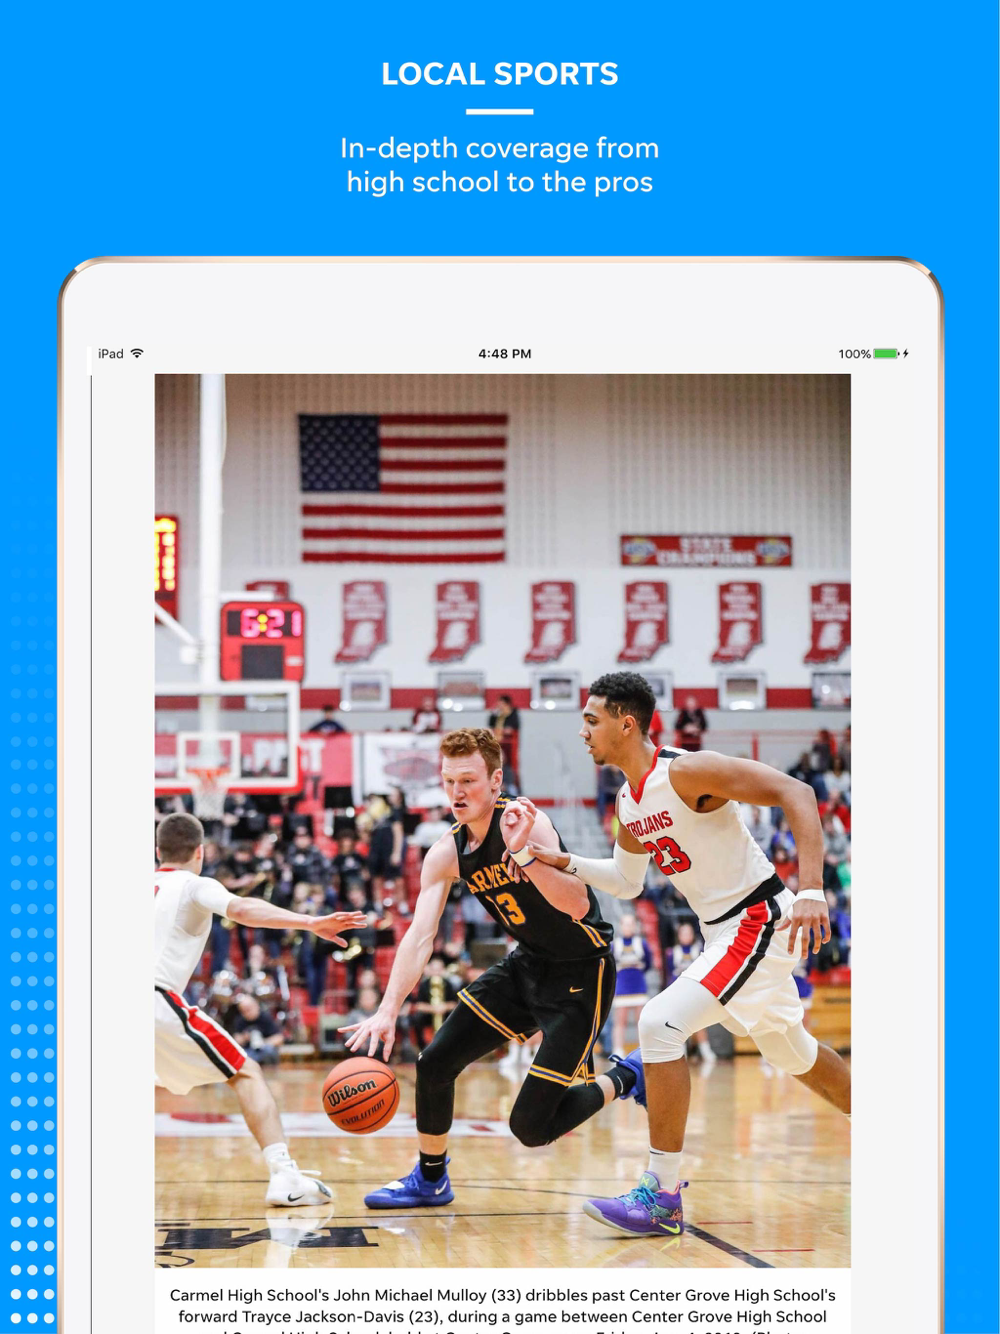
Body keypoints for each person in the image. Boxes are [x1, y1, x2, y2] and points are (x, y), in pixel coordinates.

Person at [514, 671, 851, 1237]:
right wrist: (562, 861)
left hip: (757, 919)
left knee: (659, 1022)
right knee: (792, 1051)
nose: (583, 732)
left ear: (627, 724)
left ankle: (662, 1195)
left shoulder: (686, 771)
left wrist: (813, 889)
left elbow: (798, 792)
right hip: (722, 932)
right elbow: (626, 882)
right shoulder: (628, 800)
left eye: (592, 720)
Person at [342, 728, 642, 1209]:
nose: (457, 793)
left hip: (582, 973)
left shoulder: (525, 822)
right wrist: (387, 1009)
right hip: (527, 966)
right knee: (434, 1062)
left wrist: (524, 854)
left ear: (496, 780)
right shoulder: (447, 852)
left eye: (468, 780)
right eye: (449, 781)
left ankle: (627, 1075)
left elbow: (578, 905)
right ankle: (431, 1179)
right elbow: (420, 936)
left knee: (530, 1128)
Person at [154, 812, 367, 1206]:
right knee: (246, 1072)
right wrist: (309, 922)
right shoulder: (193, 884)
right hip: (155, 997)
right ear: (200, 852)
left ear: (157, 851)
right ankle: (285, 1176)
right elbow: (242, 910)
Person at [609, 911, 653, 1055]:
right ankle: (618, 1050)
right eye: (625, 924)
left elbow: (648, 963)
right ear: (621, 926)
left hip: (639, 986)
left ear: (635, 926)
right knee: (620, 1022)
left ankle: (644, 1050)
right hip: (622, 987)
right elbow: (610, 966)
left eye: (631, 924)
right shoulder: (614, 945)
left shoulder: (642, 943)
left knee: (641, 1021)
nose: (628, 927)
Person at [230, 993, 285, 1066]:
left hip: (264, 1050)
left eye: (249, 1009)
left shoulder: (265, 1017)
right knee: (242, 1055)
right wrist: (244, 1037)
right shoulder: (239, 1020)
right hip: (249, 1052)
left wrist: (263, 1043)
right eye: (243, 1011)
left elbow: (279, 1038)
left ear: (256, 1006)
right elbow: (235, 1040)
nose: (247, 1013)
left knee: (269, 1050)